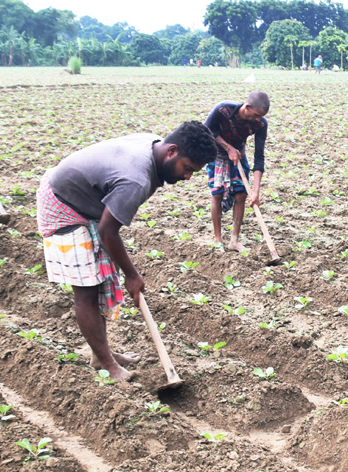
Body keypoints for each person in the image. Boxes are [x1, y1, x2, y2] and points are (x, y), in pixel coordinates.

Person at [37, 121, 216, 381]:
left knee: (98, 281)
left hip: (86, 205)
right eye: (187, 168)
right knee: (86, 290)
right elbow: (108, 231)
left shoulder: (154, 144)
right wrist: (131, 275)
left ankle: (101, 354)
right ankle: (106, 364)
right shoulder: (136, 177)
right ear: (172, 151)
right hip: (62, 206)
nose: (188, 177)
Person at [204, 91, 269, 252]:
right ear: (247, 107)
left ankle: (234, 240)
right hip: (216, 153)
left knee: (241, 194)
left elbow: (259, 157)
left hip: (239, 155)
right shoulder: (222, 110)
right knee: (217, 194)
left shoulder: (261, 124)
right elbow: (206, 130)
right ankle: (218, 239)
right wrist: (228, 148)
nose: (258, 119)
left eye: (261, 116)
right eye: (257, 115)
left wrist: (256, 191)